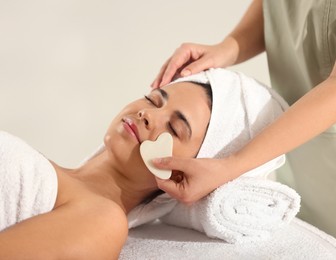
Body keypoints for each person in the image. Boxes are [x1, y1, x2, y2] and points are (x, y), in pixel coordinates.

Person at [150, 0, 336, 259]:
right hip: (301, 177)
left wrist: (230, 166)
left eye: (176, 127)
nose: (145, 116)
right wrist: (230, 47)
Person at [0, 81, 212, 259]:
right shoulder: (45, 171)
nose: (146, 113)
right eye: (152, 100)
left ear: (180, 174)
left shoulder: (104, 221)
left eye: (174, 128)